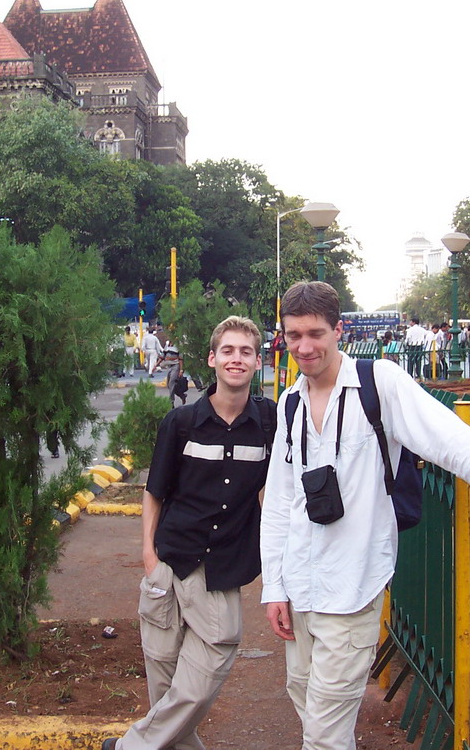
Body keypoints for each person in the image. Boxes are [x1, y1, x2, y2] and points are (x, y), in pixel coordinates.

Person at [261, 281, 470, 750]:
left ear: (338, 331)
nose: (304, 347)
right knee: (306, 699)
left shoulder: (377, 383)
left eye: (315, 334)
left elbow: (443, 434)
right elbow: (282, 504)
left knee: (324, 731)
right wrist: (274, 588)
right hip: (299, 586)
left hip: (353, 585)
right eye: (293, 336)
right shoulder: (290, 403)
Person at [101, 316, 277, 750]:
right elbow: (155, 492)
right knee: (164, 689)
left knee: (199, 682)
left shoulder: (271, 423)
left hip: (221, 570)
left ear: (258, 362)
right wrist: (148, 556)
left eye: (246, 352)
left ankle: (127, 748)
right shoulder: (181, 423)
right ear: (213, 359)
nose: (237, 359)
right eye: (229, 351)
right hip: (169, 562)